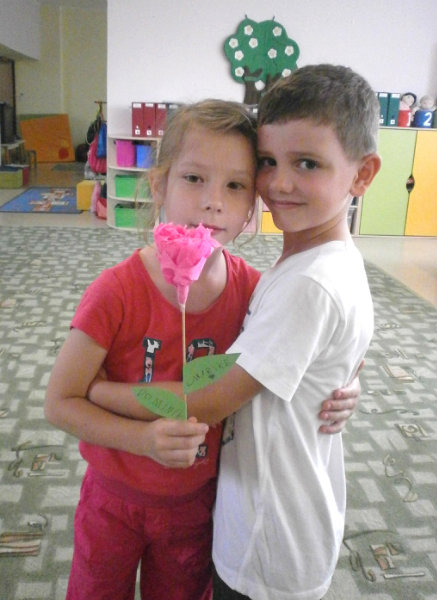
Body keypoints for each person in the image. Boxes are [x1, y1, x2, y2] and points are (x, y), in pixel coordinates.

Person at [45, 99, 360, 600]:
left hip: (198, 504)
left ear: (252, 204)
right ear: (159, 185)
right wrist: (141, 440)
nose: (214, 201)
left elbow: (315, 338)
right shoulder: (115, 292)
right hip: (113, 499)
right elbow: (60, 402)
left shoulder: (255, 292)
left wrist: (349, 383)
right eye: (194, 178)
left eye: (235, 186)